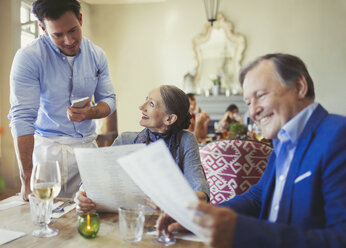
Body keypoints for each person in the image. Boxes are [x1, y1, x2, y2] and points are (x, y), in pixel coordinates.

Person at [161, 53, 346, 248]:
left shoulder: (338, 136)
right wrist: (200, 216)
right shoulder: (283, 141)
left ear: (299, 87)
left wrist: (241, 231)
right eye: (248, 102)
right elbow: (258, 197)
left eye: (260, 95)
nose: (253, 111)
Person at [8, 0, 116, 200]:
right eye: (57, 34)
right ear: (43, 29)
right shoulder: (28, 57)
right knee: (45, 221)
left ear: (80, 19)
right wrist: (27, 179)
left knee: (91, 219)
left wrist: (91, 112)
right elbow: (22, 118)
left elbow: (109, 100)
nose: (68, 40)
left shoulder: (97, 55)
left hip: (88, 153)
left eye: (73, 30)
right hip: (48, 154)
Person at [76, 85, 210, 212]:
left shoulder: (186, 140)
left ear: (169, 118)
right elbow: (93, 179)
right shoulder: (126, 140)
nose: (141, 107)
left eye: (151, 104)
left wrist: (170, 201)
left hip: (169, 221)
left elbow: (201, 193)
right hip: (127, 219)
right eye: (146, 100)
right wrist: (82, 195)